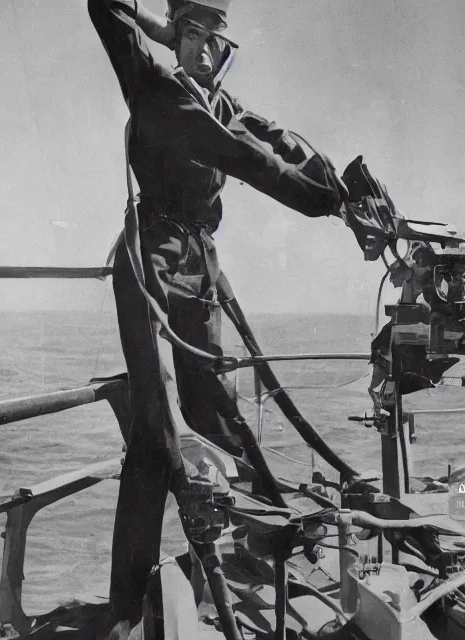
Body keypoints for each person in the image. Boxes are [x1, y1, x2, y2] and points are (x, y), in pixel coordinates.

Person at [88, 0, 356, 630]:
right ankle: (126, 609)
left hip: (201, 265)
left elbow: (274, 140)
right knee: (157, 440)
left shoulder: (223, 104)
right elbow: (244, 158)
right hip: (151, 259)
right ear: (172, 34)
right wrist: (153, 27)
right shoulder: (151, 84)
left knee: (223, 415)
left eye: (215, 39)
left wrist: (341, 188)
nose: (204, 50)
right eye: (191, 34)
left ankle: (262, 553)